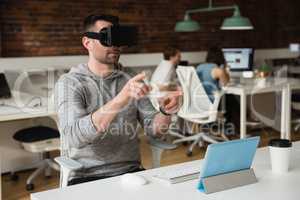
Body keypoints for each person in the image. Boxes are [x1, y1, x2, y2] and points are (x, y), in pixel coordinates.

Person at [55, 14, 181, 185]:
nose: (115, 45)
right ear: (87, 43)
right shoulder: (71, 82)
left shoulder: (130, 78)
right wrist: (120, 99)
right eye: (107, 37)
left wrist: (166, 112)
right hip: (87, 176)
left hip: (131, 172)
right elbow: (74, 138)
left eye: (118, 38)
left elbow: (155, 130)